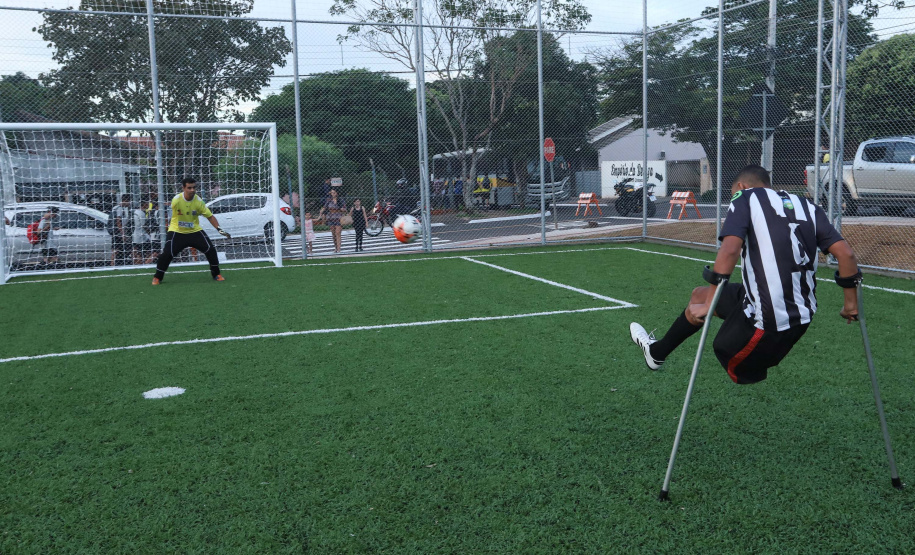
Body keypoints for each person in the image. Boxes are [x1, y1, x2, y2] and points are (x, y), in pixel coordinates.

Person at [629, 165, 860, 385]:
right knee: (698, 296)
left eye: (733, 195)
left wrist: (711, 304)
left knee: (714, 328)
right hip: (801, 315)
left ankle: (670, 346)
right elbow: (846, 255)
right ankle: (656, 353)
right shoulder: (806, 205)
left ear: (741, 187)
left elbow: (730, 249)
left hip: (769, 325)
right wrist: (850, 305)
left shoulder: (745, 198)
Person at [152, 177, 230, 285]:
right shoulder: (176, 200)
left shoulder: (198, 202)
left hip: (194, 231)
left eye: (194, 188)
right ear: (183, 188)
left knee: (210, 250)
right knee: (167, 253)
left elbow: (210, 217)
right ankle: (157, 277)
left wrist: (220, 230)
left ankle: (216, 274)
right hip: (177, 232)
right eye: (189, 188)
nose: (192, 190)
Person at [319, 188, 346, 254]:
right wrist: (321, 213)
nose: (332, 194)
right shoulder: (329, 200)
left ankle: (339, 249)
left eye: (334, 192)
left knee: (338, 232)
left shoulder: (340, 200)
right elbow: (325, 207)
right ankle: (336, 247)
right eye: (332, 193)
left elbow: (345, 209)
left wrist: (342, 209)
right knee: (333, 234)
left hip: (339, 217)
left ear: (337, 193)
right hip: (331, 218)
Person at [111, 194, 134, 266]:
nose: (130, 203)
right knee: (117, 250)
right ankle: (113, 264)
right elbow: (118, 222)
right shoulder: (120, 208)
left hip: (116, 231)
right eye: (129, 201)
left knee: (116, 249)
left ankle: (113, 264)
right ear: (126, 200)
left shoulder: (116, 207)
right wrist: (123, 234)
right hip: (119, 232)